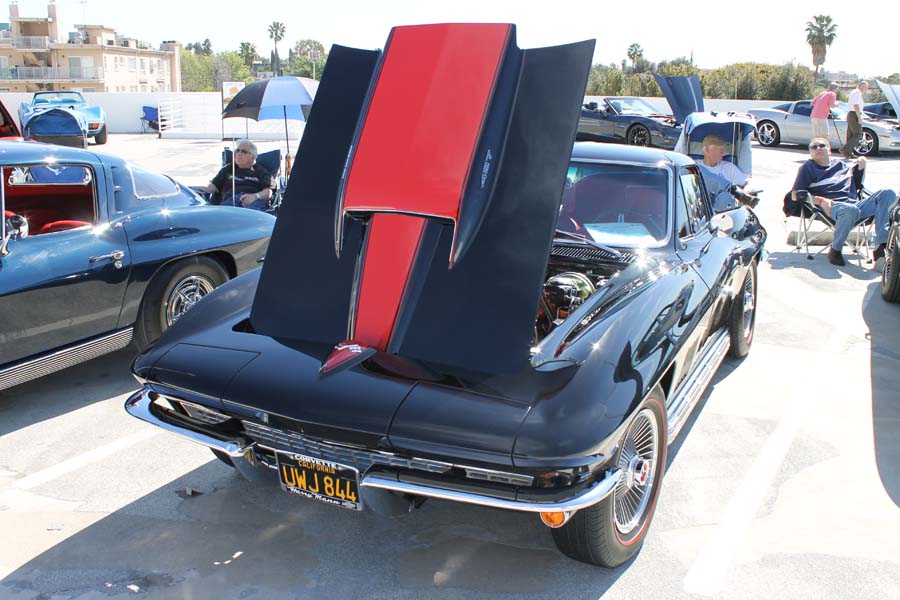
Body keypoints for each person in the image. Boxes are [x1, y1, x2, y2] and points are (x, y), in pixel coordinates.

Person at [792, 137, 895, 267]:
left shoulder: (843, 166)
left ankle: (882, 246)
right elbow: (795, 195)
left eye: (822, 145)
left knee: (888, 193)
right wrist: (820, 200)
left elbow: (858, 185)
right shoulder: (808, 168)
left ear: (829, 150)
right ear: (811, 153)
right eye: (814, 147)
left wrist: (862, 164)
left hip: (855, 205)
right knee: (850, 210)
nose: (818, 148)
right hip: (831, 207)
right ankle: (835, 250)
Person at [202, 139, 273, 210]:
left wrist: (256, 196)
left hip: (252, 201)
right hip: (230, 201)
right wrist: (193, 189)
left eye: (244, 152)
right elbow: (211, 188)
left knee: (248, 215)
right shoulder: (228, 169)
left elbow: (268, 192)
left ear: (253, 157)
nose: (239, 153)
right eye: (237, 150)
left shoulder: (261, 171)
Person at [694, 134, 754, 211]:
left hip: (725, 212)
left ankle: (731, 190)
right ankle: (730, 188)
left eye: (723, 150)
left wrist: (746, 190)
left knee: (725, 195)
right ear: (707, 150)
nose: (723, 153)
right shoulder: (695, 165)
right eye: (720, 150)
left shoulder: (728, 167)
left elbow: (748, 182)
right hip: (701, 207)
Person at [840, 80, 868, 159]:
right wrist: (859, 117)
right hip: (854, 114)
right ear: (862, 86)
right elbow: (856, 105)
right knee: (858, 134)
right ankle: (845, 149)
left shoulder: (855, 93)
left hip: (852, 113)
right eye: (866, 87)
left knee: (851, 135)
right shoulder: (857, 93)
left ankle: (848, 152)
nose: (866, 89)